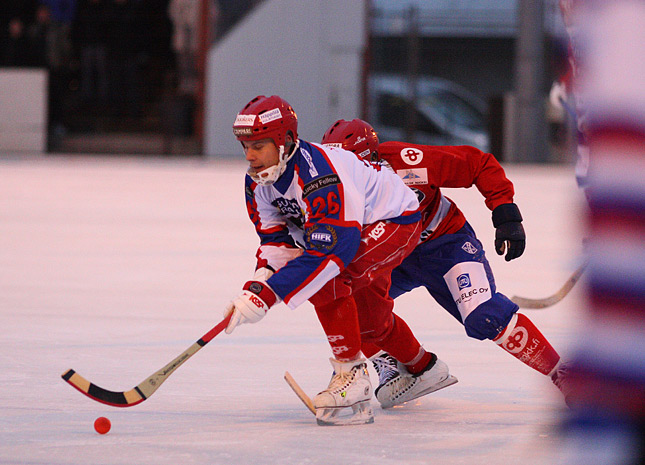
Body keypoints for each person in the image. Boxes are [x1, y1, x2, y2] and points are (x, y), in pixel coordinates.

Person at [226, 95, 457, 425]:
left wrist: (267, 295)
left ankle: (352, 377)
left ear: (286, 141)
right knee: (372, 321)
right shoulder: (257, 182)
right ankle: (426, 369)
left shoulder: (319, 174)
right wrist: (257, 283)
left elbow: (333, 252)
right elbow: (276, 243)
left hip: (395, 220)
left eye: (259, 145)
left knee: (328, 279)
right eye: (245, 146)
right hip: (357, 226)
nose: (250, 156)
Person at [321, 118, 570, 408]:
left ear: (374, 159)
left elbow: (477, 163)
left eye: (351, 167)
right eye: (335, 166)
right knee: (346, 301)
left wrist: (505, 212)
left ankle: (562, 372)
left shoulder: (409, 162)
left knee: (484, 315)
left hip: (444, 244)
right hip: (390, 255)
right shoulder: (325, 186)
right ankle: (405, 368)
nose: (343, 177)